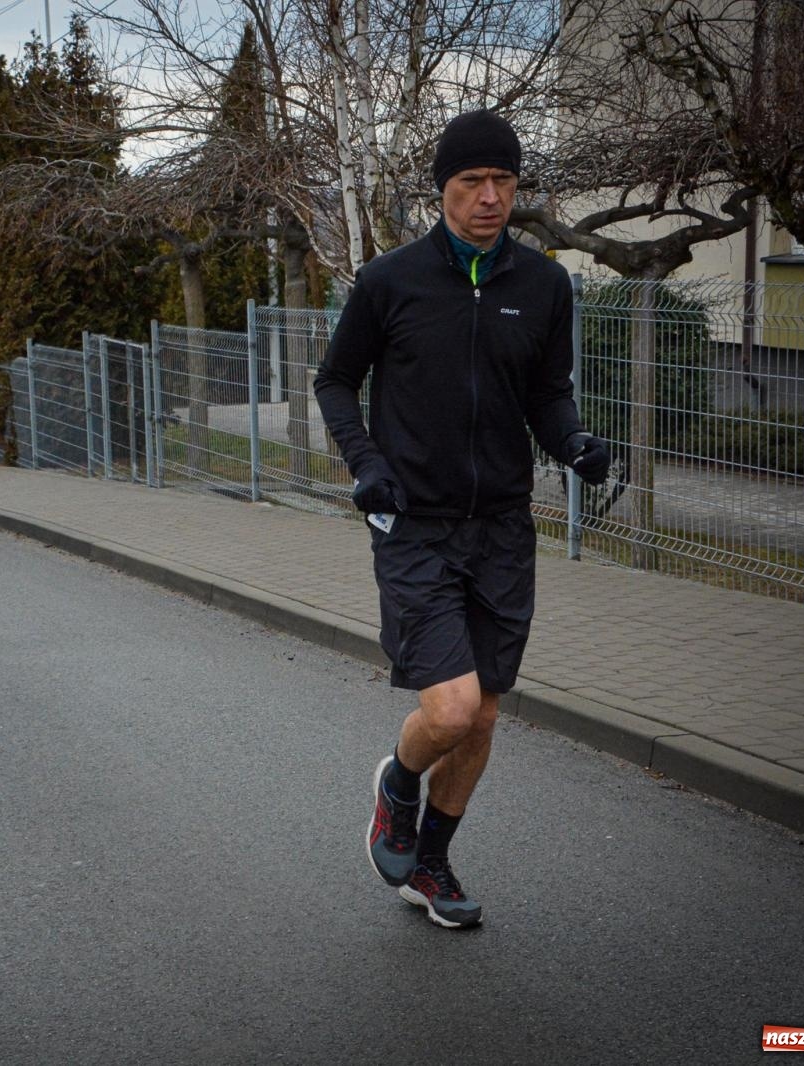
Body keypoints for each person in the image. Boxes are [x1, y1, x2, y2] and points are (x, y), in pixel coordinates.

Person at [313, 110, 610, 930]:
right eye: (472, 183)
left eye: (503, 184)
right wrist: (368, 465)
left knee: (481, 714)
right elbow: (335, 382)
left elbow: (547, 396)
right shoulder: (390, 282)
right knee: (447, 711)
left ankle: (432, 863)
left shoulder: (543, 286)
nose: (489, 198)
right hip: (415, 523)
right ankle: (397, 785)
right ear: (441, 189)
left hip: (503, 529)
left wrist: (575, 442)